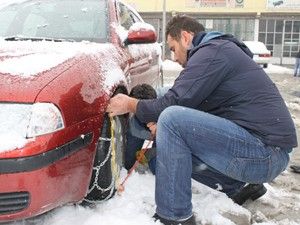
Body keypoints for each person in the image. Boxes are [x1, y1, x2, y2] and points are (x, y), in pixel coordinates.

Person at [107, 15, 297, 225]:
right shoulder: (218, 53)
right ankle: (237, 187)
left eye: (173, 47)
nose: (173, 57)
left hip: (264, 153)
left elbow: (173, 103)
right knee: (162, 151)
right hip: (263, 152)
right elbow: (182, 100)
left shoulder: (212, 52)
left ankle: (174, 217)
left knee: (171, 118)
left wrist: (130, 104)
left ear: (186, 37)